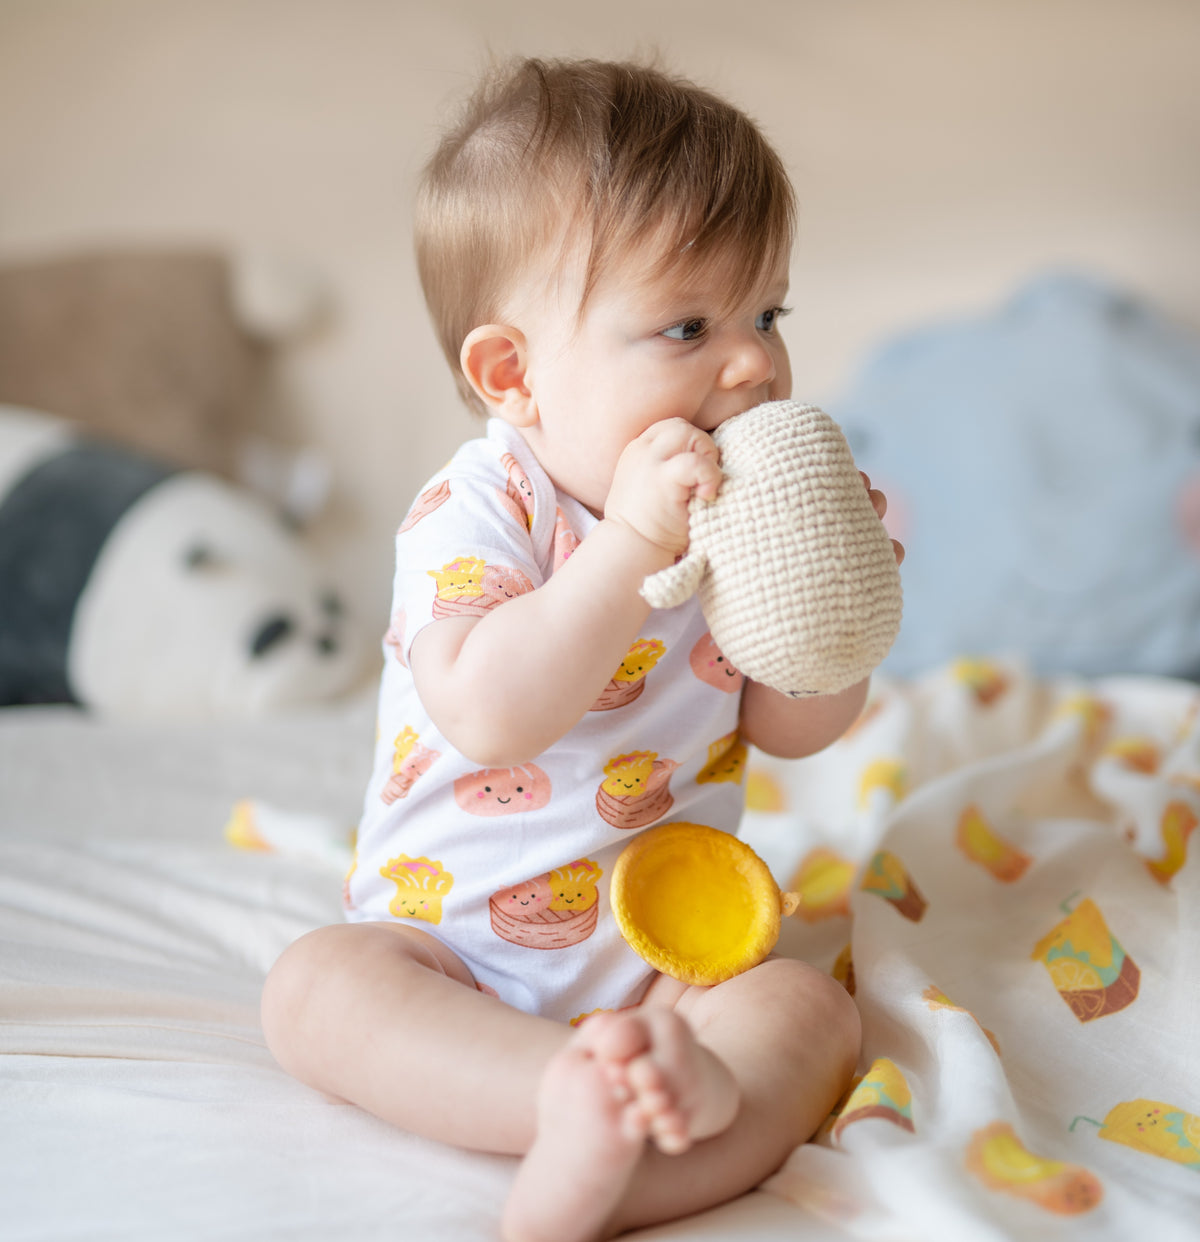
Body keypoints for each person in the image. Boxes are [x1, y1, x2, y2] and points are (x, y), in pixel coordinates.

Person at [262, 56, 901, 1242]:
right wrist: (628, 553)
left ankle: (639, 1159)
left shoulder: (728, 515)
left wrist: (829, 617)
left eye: (768, 312)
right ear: (515, 376)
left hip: (672, 952)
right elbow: (492, 711)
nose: (755, 362)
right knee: (314, 990)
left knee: (812, 1012)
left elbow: (790, 728)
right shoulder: (481, 509)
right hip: (449, 944)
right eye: (688, 325)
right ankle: (557, 1092)